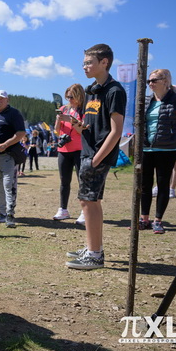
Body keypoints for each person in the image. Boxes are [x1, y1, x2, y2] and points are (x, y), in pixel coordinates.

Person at [66, 44, 126, 270]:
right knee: (90, 202)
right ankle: (93, 248)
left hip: (97, 155)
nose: (84, 67)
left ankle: (94, 255)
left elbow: (116, 131)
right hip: (87, 151)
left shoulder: (114, 91)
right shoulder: (92, 90)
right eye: (83, 63)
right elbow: (91, 124)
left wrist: (96, 160)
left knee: (88, 202)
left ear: (104, 62)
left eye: (89, 63)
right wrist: (78, 126)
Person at [138, 70, 176, 234]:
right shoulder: (147, 100)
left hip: (167, 149)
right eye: (149, 81)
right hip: (146, 148)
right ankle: (144, 219)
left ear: (165, 81)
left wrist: (173, 139)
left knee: (163, 184)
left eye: (154, 80)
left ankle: (158, 220)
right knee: (145, 184)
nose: (150, 83)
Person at [0, 90, 26, 228]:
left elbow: (21, 133)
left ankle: (10, 214)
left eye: (1, 99)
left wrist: (5, 145)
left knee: (9, 185)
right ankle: (2, 212)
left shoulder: (14, 113)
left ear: (7, 100)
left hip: (8, 155)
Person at [53, 84, 84, 224]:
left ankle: (84, 211)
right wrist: (59, 120)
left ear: (79, 96)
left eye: (71, 97)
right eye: (67, 97)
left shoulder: (84, 110)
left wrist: (72, 121)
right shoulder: (63, 109)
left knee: (82, 181)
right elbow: (56, 131)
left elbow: (82, 131)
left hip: (79, 149)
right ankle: (63, 209)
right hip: (64, 150)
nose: (69, 100)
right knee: (64, 181)